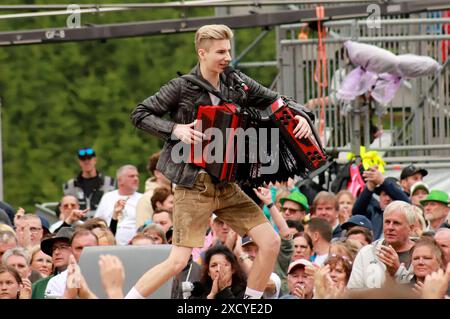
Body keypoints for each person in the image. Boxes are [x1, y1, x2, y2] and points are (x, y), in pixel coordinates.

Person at [129, 24, 316, 299]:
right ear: (202, 53)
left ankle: (251, 303)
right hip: (194, 186)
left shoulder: (236, 81)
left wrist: (301, 116)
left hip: (227, 185)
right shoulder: (182, 87)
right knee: (178, 261)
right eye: (220, 52)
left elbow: (276, 100)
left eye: (228, 50)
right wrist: (174, 129)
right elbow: (140, 113)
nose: (227, 56)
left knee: (271, 241)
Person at [347, 201, 416, 289]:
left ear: (411, 228)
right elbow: (353, 292)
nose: (390, 227)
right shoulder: (366, 253)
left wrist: (398, 272)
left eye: (396, 223)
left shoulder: (422, 255)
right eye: (387, 222)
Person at [353, 166, 410, 240]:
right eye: (384, 195)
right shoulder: (374, 213)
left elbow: (408, 205)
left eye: (391, 195)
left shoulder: (406, 215)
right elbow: (356, 212)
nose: (387, 199)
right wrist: (370, 187)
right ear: (379, 197)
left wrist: (382, 182)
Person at [95, 165, 142, 245]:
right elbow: (97, 221)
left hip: (135, 245)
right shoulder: (108, 197)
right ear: (120, 180)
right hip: (109, 243)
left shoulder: (142, 198)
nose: (136, 179)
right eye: (131, 176)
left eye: (137, 176)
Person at [44, 229, 98, 298]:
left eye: (88, 248)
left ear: (97, 248)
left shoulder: (111, 275)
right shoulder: (56, 281)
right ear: (71, 250)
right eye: (79, 248)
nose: (84, 251)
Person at [63, 147, 115, 216]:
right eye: (83, 159)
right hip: (78, 223)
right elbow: (62, 207)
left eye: (89, 158)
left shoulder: (109, 183)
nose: (86, 161)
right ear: (79, 162)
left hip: (102, 223)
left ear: (95, 160)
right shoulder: (70, 185)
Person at [32, 227, 74, 299]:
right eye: (54, 248)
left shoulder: (86, 282)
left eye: (63, 247)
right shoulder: (38, 286)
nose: (56, 252)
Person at [135, 151, 172, 229]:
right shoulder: (146, 199)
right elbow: (142, 231)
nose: (175, 171)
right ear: (157, 173)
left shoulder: (180, 193)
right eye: (170, 167)